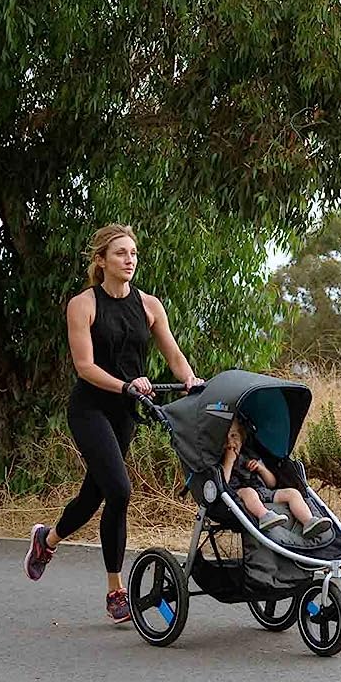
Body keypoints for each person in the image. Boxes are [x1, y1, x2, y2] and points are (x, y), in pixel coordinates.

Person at [22, 223, 202, 622]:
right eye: (121, 253)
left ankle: (46, 540)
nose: (130, 260)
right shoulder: (82, 305)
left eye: (134, 253)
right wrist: (126, 387)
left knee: (93, 495)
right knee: (119, 490)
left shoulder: (150, 305)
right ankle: (116, 592)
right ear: (101, 260)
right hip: (90, 410)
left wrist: (190, 380)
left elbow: (173, 355)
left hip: (125, 412)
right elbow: (84, 367)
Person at [221, 418, 334, 540]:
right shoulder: (219, 460)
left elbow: (272, 483)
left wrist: (261, 469)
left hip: (264, 492)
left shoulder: (250, 455)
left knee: (293, 493)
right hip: (238, 495)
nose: (230, 442)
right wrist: (229, 461)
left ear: (242, 437)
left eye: (234, 436)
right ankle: (264, 516)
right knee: (249, 492)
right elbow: (222, 484)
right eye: (225, 438)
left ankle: (308, 522)